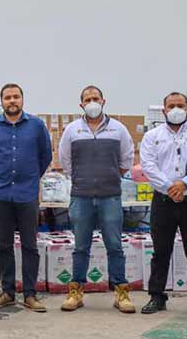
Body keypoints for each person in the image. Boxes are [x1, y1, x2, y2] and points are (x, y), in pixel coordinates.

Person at [58, 85, 136, 313]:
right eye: (87, 99)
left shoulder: (118, 129)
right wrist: (82, 178)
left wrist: (108, 177)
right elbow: (65, 161)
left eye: (95, 98)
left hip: (110, 197)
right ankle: (76, 292)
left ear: (103, 101)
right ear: (81, 104)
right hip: (81, 196)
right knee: (80, 247)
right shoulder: (72, 130)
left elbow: (126, 159)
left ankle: (121, 293)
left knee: (115, 245)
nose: (92, 102)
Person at [139, 92, 187, 318]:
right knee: (161, 251)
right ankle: (157, 296)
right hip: (163, 201)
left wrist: (184, 184)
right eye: (171, 106)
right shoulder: (152, 136)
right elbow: (148, 166)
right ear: (163, 110)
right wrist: (170, 188)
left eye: (180, 105)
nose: (176, 109)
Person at [0, 83, 52, 311]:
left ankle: (30, 294)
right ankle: (7, 292)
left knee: (30, 245)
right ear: (2, 101)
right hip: (0, 194)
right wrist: (0, 177)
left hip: (27, 195)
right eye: (7, 97)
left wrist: (30, 177)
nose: (12, 101)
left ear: (22, 99)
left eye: (16, 96)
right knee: (3, 245)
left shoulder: (36, 126)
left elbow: (45, 156)